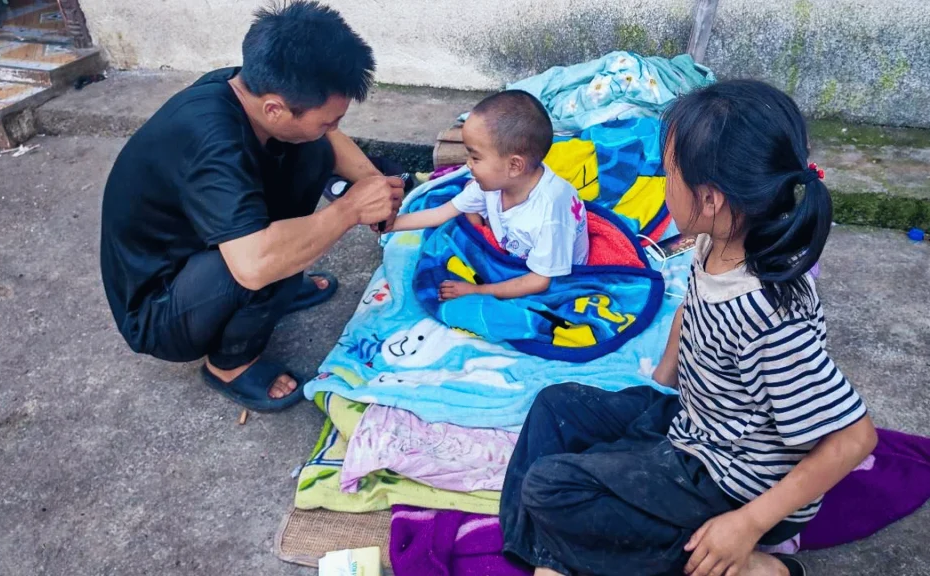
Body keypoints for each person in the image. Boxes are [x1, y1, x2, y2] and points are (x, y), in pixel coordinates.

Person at [499, 80, 879, 576]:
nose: (662, 183)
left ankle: (753, 568)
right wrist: (661, 377)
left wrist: (746, 524)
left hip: (737, 483)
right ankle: (548, 557)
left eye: (668, 172)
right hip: (696, 424)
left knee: (552, 488)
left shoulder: (768, 317)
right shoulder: (713, 243)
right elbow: (692, 306)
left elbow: (854, 439)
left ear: (711, 199)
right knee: (556, 405)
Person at [99, 1, 403, 412]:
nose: (334, 128)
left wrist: (372, 182)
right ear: (275, 107)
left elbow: (326, 141)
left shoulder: (245, 90)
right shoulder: (211, 142)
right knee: (264, 264)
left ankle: (278, 285)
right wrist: (349, 209)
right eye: (327, 119)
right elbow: (253, 264)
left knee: (311, 149)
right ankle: (229, 364)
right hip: (159, 309)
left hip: (201, 251)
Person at [388, 90, 589, 301]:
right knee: (467, 196)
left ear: (514, 165)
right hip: (515, 248)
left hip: (548, 273)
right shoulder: (493, 183)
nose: (468, 164)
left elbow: (540, 281)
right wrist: (391, 224)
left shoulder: (550, 215)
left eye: (475, 157)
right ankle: (485, 232)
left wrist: (475, 291)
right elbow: (441, 213)